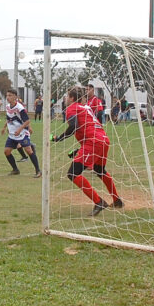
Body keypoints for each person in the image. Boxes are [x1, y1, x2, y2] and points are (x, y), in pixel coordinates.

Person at [51, 86, 122, 216]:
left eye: (67, 96)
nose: (66, 99)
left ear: (72, 98)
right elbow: (86, 126)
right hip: (103, 140)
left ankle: (99, 202)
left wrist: (59, 138)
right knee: (100, 170)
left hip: (93, 142)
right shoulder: (86, 107)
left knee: (73, 173)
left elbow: (74, 126)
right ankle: (117, 200)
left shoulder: (72, 108)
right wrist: (79, 150)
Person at [1, 90, 41, 177]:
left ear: (15, 97)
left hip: (22, 133)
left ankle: (38, 171)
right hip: (12, 134)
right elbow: (9, 118)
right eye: (7, 95)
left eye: (10, 95)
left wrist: (20, 129)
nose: (8, 97)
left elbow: (27, 121)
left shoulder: (20, 108)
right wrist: (5, 127)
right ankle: (15, 170)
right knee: (7, 152)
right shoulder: (8, 107)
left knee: (28, 150)